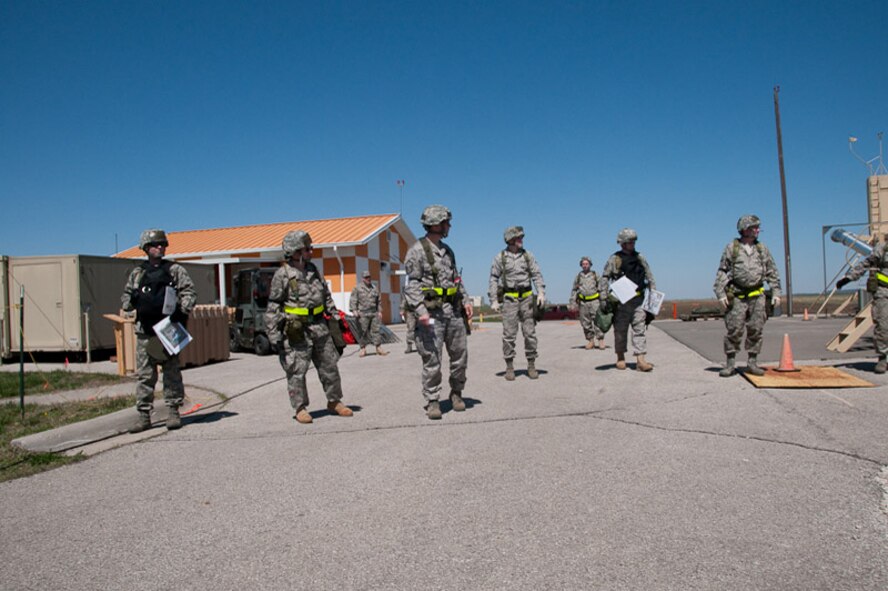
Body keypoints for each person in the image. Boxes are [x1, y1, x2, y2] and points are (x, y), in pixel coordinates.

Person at [264, 230, 353, 424]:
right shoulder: (283, 275)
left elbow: (326, 295)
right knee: (296, 371)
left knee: (330, 366)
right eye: (307, 248)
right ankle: (300, 407)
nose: (311, 251)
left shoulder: (313, 269)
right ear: (295, 251)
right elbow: (273, 306)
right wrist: (274, 335)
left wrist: (336, 317)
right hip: (296, 331)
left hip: (320, 327)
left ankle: (334, 401)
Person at [121, 229, 197, 432]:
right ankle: (144, 415)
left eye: (163, 244)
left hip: (168, 329)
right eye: (156, 245)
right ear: (146, 248)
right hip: (145, 331)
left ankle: (173, 411)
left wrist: (182, 310)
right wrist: (132, 301)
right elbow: (126, 298)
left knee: (171, 373)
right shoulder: (138, 273)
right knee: (145, 376)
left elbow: (189, 292)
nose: (160, 248)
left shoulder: (175, 270)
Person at [404, 204, 472, 420]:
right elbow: (411, 285)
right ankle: (433, 400)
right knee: (432, 358)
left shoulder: (448, 250)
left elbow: (456, 279)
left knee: (460, 355)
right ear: (436, 224)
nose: (449, 226)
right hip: (431, 316)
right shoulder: (416, 251)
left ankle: (456, 393)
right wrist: (421, 311)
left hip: (452, 312)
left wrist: (466, 300)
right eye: (446, 222)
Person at [713, 215, 781, 377]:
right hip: (737, 296)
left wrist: (776, 291)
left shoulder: (762, 249)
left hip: (757, 296)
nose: (758, 230)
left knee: (756, 329)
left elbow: (772, 271)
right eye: (754, 227)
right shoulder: (732, 248)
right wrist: (720, 292)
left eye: (758, 227)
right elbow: (722, 270)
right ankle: (730, 364)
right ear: (745, 229)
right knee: (734, 329)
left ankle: (752, 362)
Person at [488, 226, 546, 380]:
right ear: (511, 239)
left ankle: (531, 364)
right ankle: (509, 366)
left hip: (527, 299)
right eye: (519, 237)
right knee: (509, 335)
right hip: (509, 300)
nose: (522, 240)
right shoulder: (500, 257)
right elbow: (494, 278)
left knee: (530, 334)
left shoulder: (528, 256)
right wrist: (493, 300)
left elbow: (536, 274)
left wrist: (541, 292)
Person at [600, 228, 655, 371]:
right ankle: (620, 358)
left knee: (639, 329)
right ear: (623, 243)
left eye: (634, 241)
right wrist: (603, 297)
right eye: (630, 241)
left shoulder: (640, 257)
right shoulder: (614, 259)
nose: (633, 244)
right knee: (620, 330)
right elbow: (605, 277)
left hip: (639, 301)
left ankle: (640, 360)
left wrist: (653, 295)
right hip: (621, 302)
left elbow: (649, 276)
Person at [836, 240, 888, 372]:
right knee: (883, 325)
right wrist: (848, 278)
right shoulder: (883, 247)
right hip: (884, 291)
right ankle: (883, 357)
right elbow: (866, 263)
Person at [350, 270, 388, 357]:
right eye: (366, 277)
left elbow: (379, 301)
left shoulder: (374, 288)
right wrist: (354, 310)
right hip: (362, 314)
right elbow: (353, 300)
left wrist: (379, 311)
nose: (368, 279)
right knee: (362, 332)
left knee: (376, 331)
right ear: (363, 278)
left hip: (374, 313)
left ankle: (378, 348)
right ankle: (363, 349)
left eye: (369, 277)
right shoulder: (357, 288)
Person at [569, 256, 605, 350]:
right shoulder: (578, 276)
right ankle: (590, 341)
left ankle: (600, 340)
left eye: (587, 264)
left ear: (590, 264)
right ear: (581, 265)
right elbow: (574, 290)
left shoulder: (595, 275)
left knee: (597, 321)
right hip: (583, 303)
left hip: (594, 302)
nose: (585, 265)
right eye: (583, 264)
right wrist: (572, 302)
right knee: (585, 323)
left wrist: (603, 300)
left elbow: (601, 287)